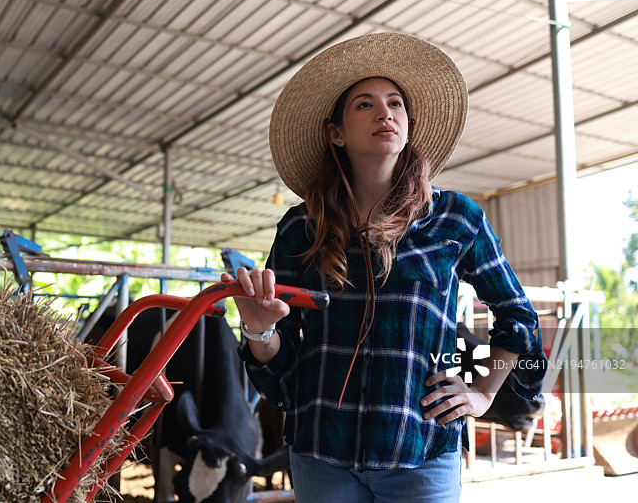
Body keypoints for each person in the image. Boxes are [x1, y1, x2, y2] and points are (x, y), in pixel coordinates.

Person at [220, 32, 547, 502]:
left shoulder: (456, 218)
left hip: (421, 450)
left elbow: (518, 316)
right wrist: (259, 333)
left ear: (409, 125)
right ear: (336, 132)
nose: (384, 112)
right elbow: (281, 376)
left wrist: (482, 393)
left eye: (395, 103)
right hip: (320, 454)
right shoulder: (301, 227)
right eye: (364, 104)